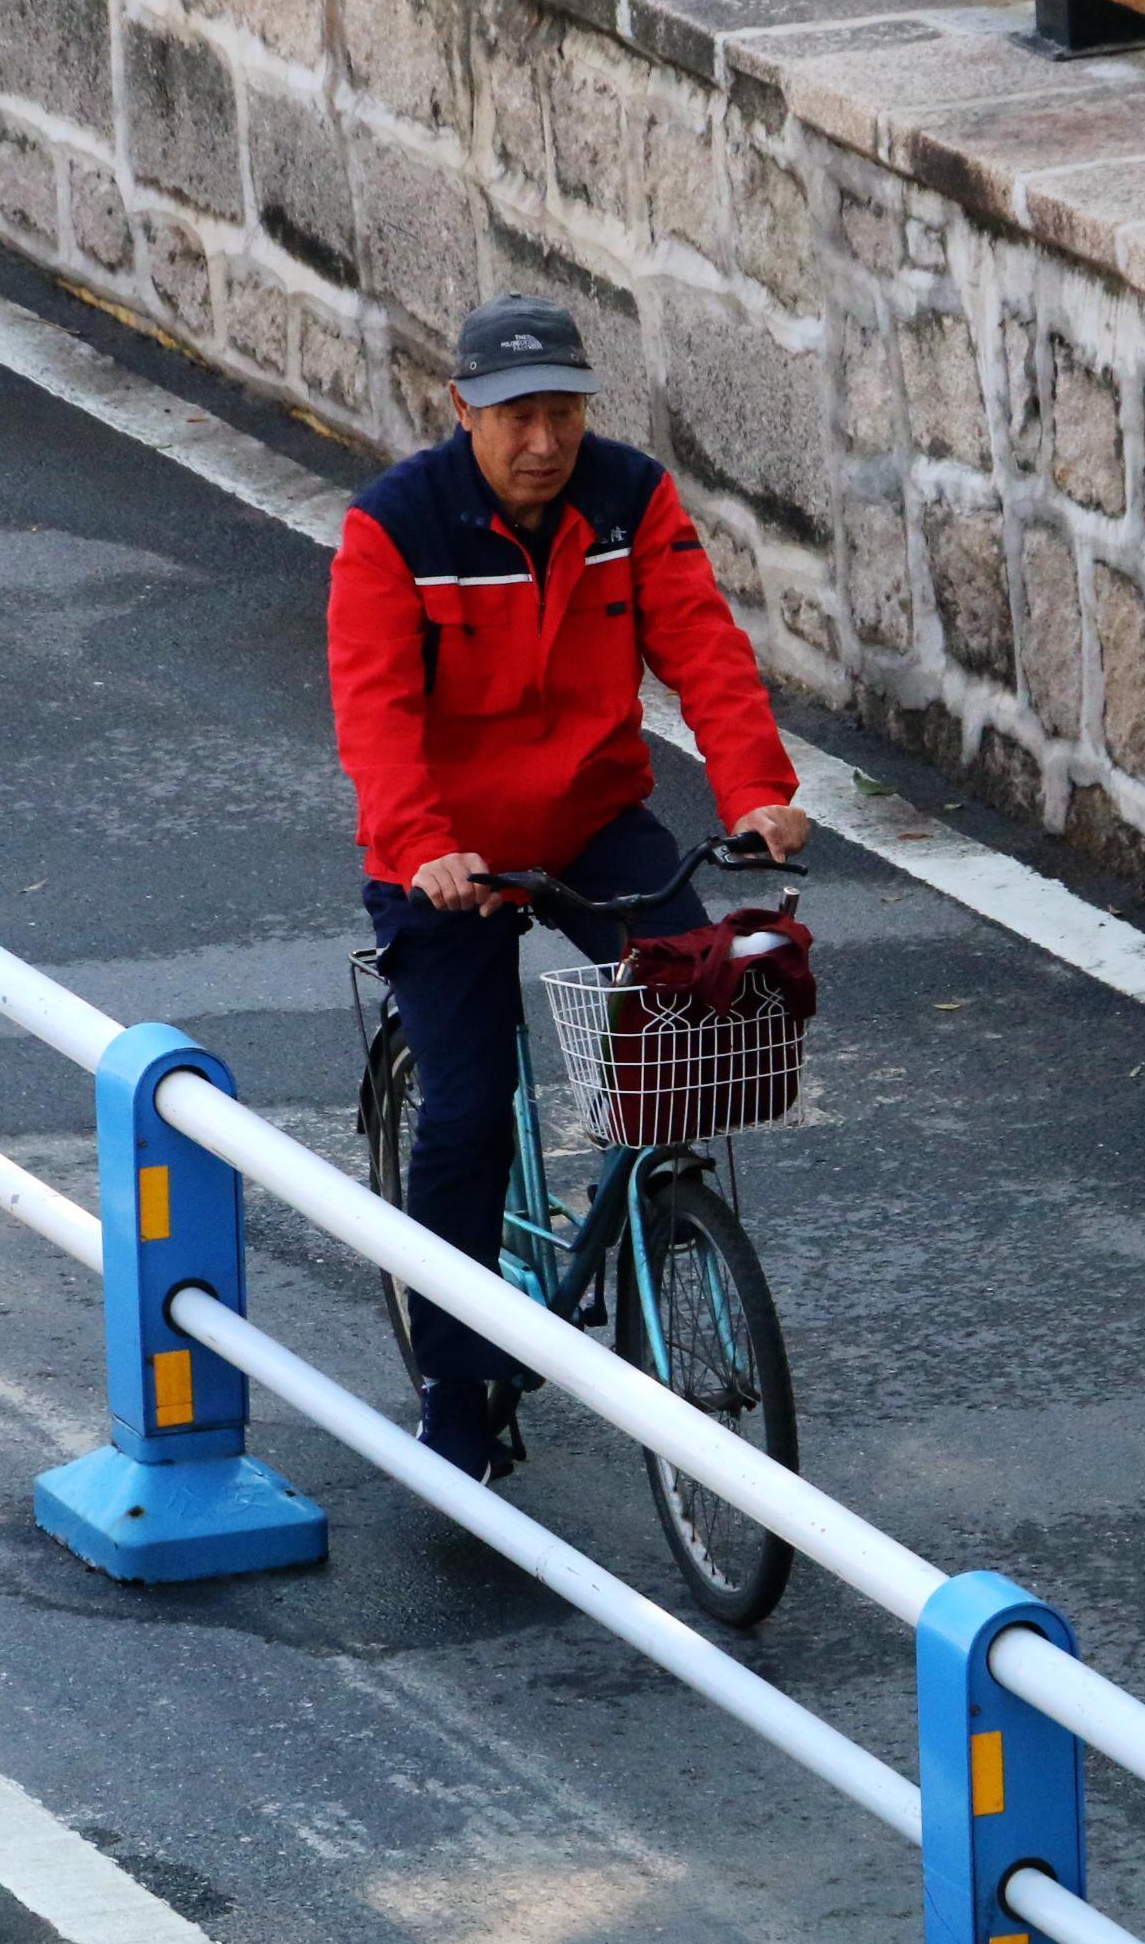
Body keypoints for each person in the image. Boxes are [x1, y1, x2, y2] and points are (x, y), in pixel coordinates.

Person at [327, 293, 810, 1483]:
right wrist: (424, 843)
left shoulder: (628, 497)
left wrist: (755, 790)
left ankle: (642, 1205)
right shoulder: (393, 529)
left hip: (593, 818)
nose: (544, 441)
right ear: (462, 412)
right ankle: (454, 1378)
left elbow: (702, 647)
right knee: (470, 1111)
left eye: (563, 413)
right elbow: (375, 715)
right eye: (516, 418)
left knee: (697, 1017)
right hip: (444, 855)